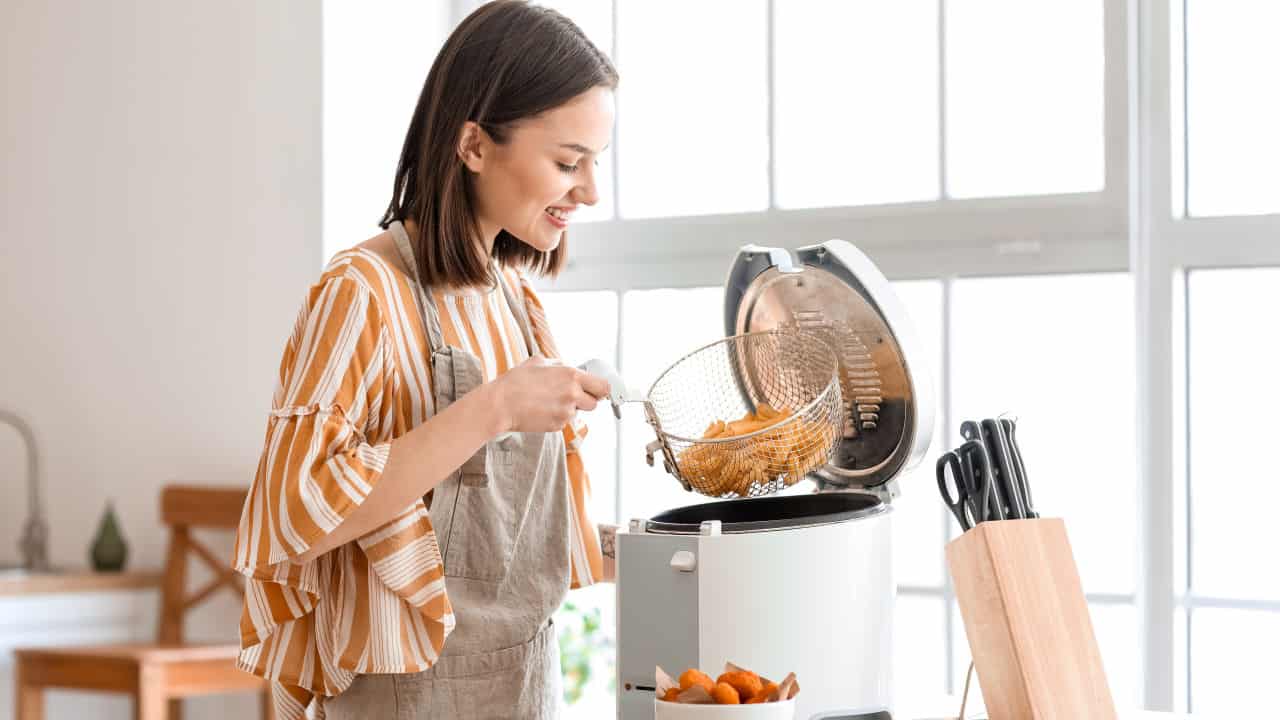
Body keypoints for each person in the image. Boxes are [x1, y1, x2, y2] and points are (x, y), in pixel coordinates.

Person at [232, 3, 619, 717]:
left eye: (596, 163)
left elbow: (500, 547)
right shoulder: (363, 293)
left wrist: (651, 549)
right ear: (473, 144)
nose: (591, 191)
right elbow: (294, 510)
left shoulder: (517, 303)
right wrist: (496, 406)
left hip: (527, 689)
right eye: (569, 163)